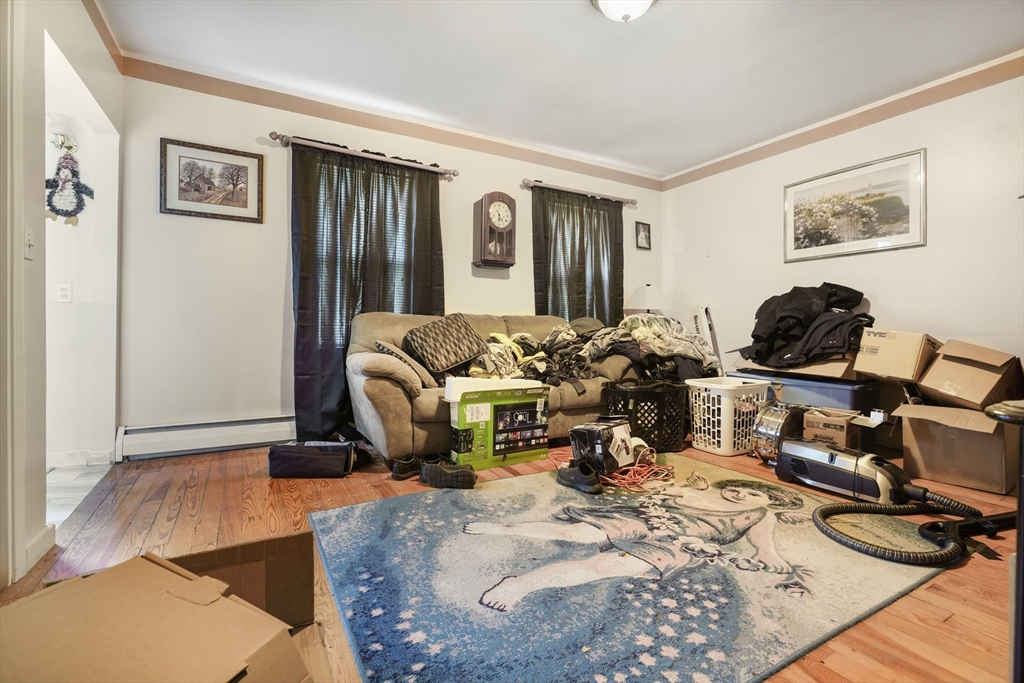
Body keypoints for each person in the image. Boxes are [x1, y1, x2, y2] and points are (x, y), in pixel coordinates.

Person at [464, 472, 804, 612]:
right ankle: (503, 526)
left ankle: (520, 584)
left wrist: (771, 557)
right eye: (737, 487)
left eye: (750, 492)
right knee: (579, 533)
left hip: (681, 542)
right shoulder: (700, 489)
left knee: (609, 565)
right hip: (647, 516)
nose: (739, 492)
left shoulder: (760, 515)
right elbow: (663, 490)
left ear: (767, 500)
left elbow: (765, 547)